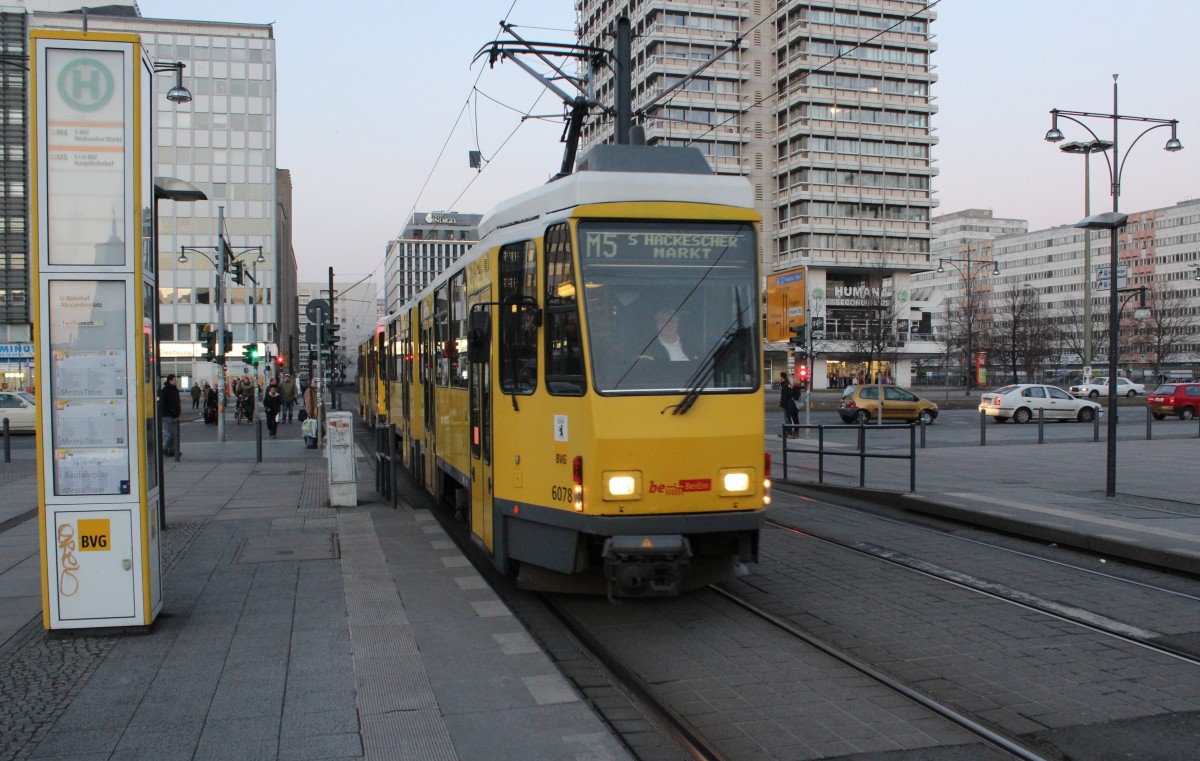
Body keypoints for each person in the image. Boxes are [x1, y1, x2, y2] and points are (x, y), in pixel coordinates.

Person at [159, 373, 181, 456]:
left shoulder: (174, 389)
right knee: (171, 432)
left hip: (173, 414)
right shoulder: (166, 390)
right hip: (167, 415)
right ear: (170, 380)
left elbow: (177, 401)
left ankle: (172, 450)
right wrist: (171, 411)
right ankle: (166, 448)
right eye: (175, 379)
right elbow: (163, 403)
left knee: (172, 432)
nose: (176, 381)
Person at [778, 371, 800, 438]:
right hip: (792, 405)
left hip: (791, 405)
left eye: (792, 379)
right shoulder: (793, 387)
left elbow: (790, 394)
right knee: (794, 419)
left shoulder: (794, 387)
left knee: (791, 419)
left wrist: (791, 388)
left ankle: (791, 433)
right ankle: (794, 434)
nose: (791, 380)